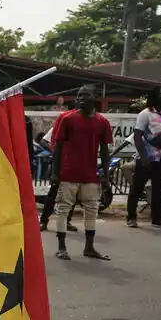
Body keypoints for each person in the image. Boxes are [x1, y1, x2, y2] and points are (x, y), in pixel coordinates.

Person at [51, 85, 112, 261]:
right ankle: (61, 247)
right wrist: (56, 173)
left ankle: (89, 247)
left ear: (95, 98)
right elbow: (58, 148)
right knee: (63, 210)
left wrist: (106, 176)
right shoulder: (68, 119)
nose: (81, 98)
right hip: (69, 173)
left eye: (85, 95)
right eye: (79, 95)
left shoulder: (102, 122)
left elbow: (105, 150)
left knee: (92, 210)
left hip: (90, 175)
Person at [127, 86, 161, 228]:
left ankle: (157, 218)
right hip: (147, 159)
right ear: (155, 96)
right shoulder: (145, 114)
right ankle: (131, 217)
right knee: (136, 189)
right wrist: (143, 158)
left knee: (159, 191)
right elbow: (137, 136)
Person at [39, 98, 79, 232]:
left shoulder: (84, 125)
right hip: (60, 164)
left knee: (72, 195)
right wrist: (55, 152)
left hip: (74, 165)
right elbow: (44, 140)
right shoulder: (64, 122)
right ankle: (43, 221)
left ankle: (67, 221)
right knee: (53, 193)